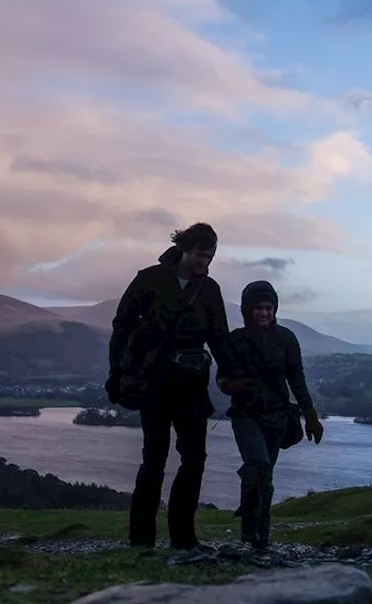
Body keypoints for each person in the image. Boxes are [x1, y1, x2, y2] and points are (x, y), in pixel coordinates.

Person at [106, 222, 237, 552]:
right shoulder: (149, 279)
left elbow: (219, 337)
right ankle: (141, 540)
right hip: (154, 382)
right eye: (200, 255)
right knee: (154, 460)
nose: (204, 263)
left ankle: (183, 538)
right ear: (183, 249)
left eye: (210, 257)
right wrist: (117, 374)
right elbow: (121, 327)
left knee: (195, 459)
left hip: (192, 385)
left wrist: (230, 375)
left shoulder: (210, 290)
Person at [219, 280, 324, 550]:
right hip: (245, 415)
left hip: (277, 417)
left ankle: (260, 539)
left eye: (269, 308)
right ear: (247, 310)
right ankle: (247, 534)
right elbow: (221, 378)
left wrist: (310, 415)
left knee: (265, 477)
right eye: (258, 308)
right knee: (259, 466)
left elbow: (296, 379)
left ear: (275, 309)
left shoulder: (286, 338)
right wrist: (230, 386)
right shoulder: (236, 339)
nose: (264, 313)